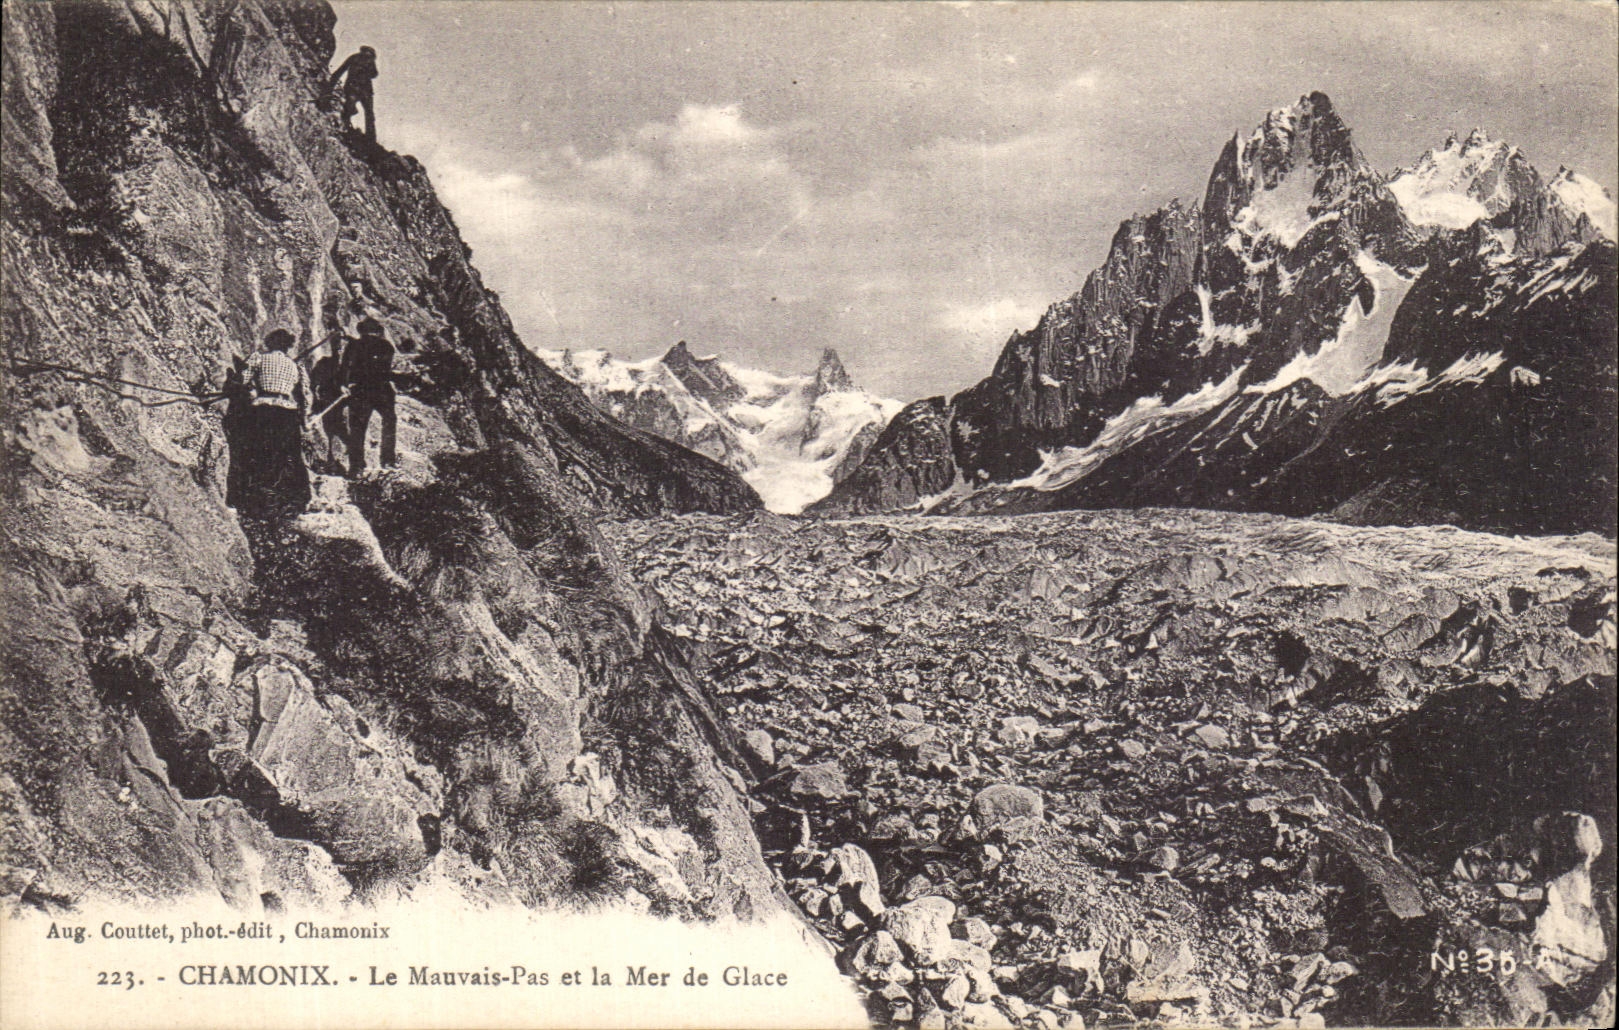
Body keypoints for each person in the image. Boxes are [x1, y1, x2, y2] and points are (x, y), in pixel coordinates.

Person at [231, 329, 312, 516]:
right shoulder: (295, 366)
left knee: (256, 452)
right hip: (288, 412)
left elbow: (242, 379)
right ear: (288, 346)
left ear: (270, 343)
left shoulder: (258, 358)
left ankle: (252, 499)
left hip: (263, 407)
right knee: (290, 456)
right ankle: (297, 501)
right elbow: (304, 397)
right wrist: (304, 420)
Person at [340, 317, 397, 477]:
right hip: (382, 390)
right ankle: (388, 461)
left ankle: (356, 467)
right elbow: (384, 367)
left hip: (361, 390)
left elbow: (345, 367)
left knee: (357, 428)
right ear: (377, 331)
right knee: (389, 421)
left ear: (361, 330)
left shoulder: (354, 345)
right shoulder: (387, 346)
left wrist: (344, 384)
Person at [329, 45, 378, 142]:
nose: (367, 56)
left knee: (369, 114)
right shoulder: (355, 58)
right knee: (352, 108)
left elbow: (374, 74)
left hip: (364, 91)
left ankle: (370, 139)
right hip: (355, 89)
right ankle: (347, 127)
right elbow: (341, 71)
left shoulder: (369, 62)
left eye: (369, 55)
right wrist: (331, 85)